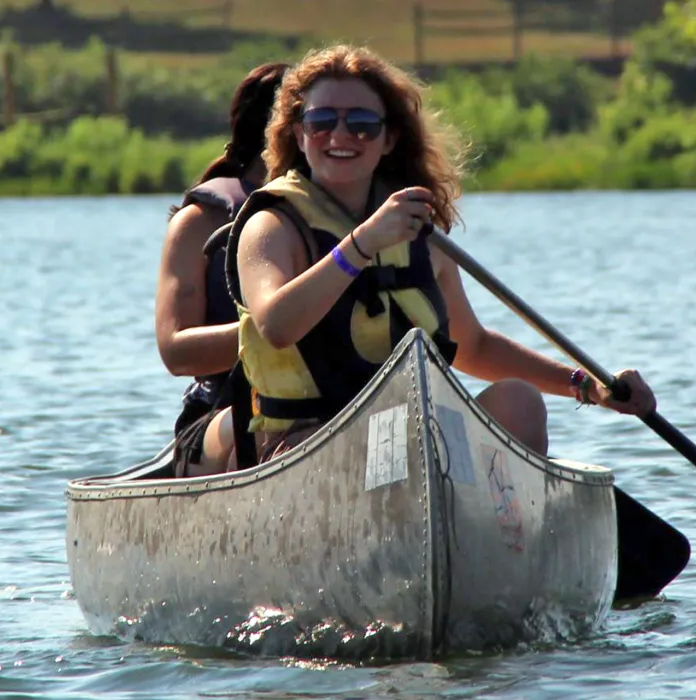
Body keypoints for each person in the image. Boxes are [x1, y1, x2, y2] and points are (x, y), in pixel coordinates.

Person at [195, 44, 656, 473]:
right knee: (389, 445)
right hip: (304, 444)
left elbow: (472, 346)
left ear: (388, 139)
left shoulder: (416, 229)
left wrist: (587, 385)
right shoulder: (271, 225)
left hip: (407, 439)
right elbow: (275, 326)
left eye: (361, 123)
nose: (340, 135)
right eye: (322, 121)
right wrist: (362, 244)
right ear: (299, 133)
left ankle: (494, 541)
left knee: (519, 401)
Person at [153, 62, 290, 476]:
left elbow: (468, 341)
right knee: (263, 427)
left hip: (328, 405)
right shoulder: (200, 223)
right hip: (224, 415)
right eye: (321, 122)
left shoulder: (357, 219)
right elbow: (176, 351)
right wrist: (280, 328)